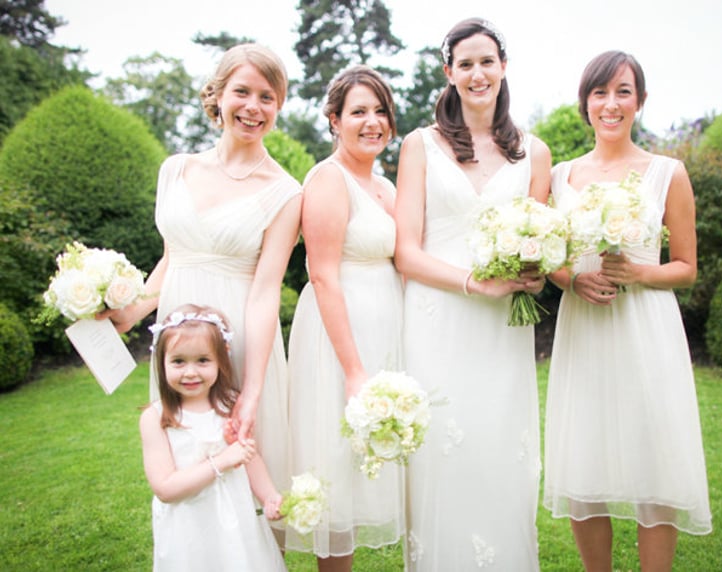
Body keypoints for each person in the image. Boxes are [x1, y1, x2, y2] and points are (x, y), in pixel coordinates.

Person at [101, 43, 302, 541]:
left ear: (279, 106)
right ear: (218, 95)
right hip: (177, 337)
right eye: (242, 92)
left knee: (248, 467)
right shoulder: (176, 169)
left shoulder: (286, 192)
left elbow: (265, 293)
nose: (253, 107)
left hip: (241, 340)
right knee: (186, 460)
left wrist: (251, 391)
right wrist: (131, 311)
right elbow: (173, 258)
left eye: (267, 97)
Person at [543, 50, 712, 571]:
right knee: (585, 459)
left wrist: (638, 273)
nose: (610, 104)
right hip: (585, 328)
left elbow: (686, 267)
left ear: (640, 101)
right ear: (585, 103)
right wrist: (573, 279)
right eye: (600, 93)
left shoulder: (667, 173)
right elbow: (551, 259)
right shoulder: (561, 177)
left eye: (623, 92)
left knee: (654, 458)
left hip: (646, 329)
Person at [394, 18, 552, 571]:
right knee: (441, 447)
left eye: (487, 61)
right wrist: (473, 283)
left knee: (500, 448)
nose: (477, 73)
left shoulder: (534, 152)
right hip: (435, 319)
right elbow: (405, 252)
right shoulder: (420, 146)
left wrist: (533, 273)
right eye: (465, 64)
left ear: (503, 67)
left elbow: (540, 244)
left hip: (501, 327)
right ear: (449, 72)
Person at [286, 65, 404, 572]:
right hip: (340, 338)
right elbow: (323, 274)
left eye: (381, 111)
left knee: (364, 468)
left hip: (383, 329)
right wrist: (354, 370)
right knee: (335, 467)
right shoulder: (328, 179)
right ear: (334, 120)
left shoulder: (386, 186)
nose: (372, 122)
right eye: (358, 112)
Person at [140, 304, 286, 571]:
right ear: (162, 363)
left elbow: (250, 458)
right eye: (178, 361)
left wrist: (268, 496)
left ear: (220, 361)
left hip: (236, 520)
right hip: (188, 528)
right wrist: (221, 461)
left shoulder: (231, 405)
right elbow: (165, 489)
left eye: (203, 360)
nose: (190, 372)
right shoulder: (156, 418)